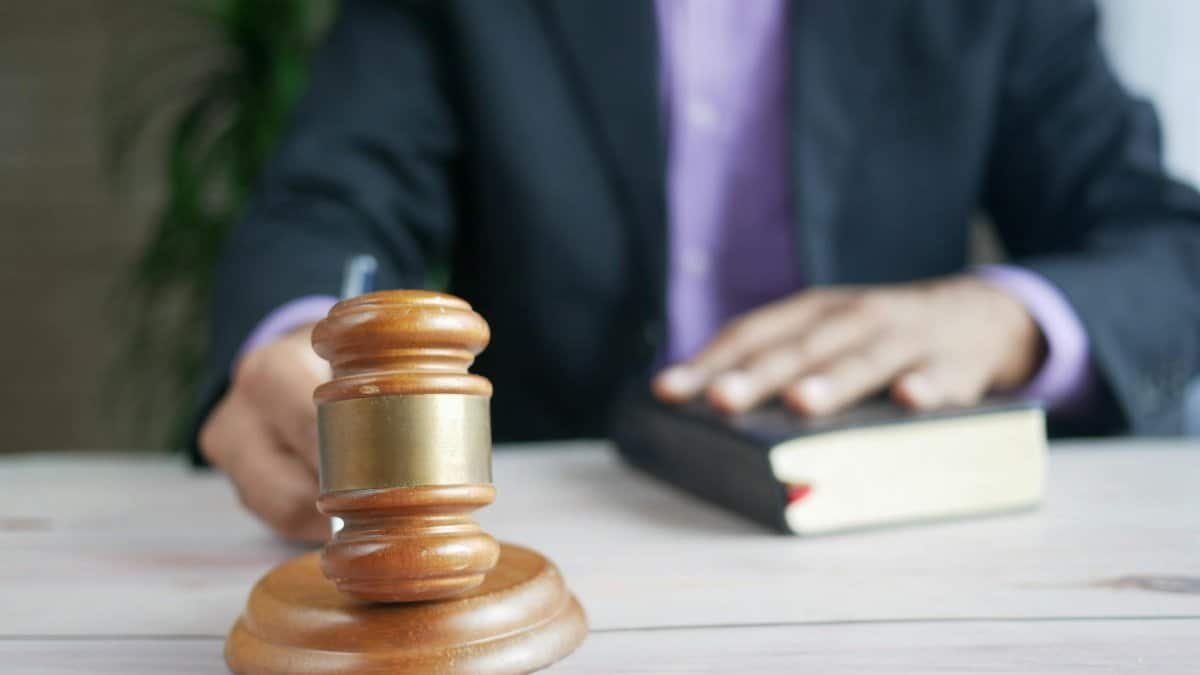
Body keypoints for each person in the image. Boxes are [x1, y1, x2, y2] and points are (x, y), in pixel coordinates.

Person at [196, 0, 1200, 542]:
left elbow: (1165, 244)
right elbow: (327, 204)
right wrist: (299, 345)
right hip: (551, 520)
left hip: (905, 546)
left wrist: (1006, 319)